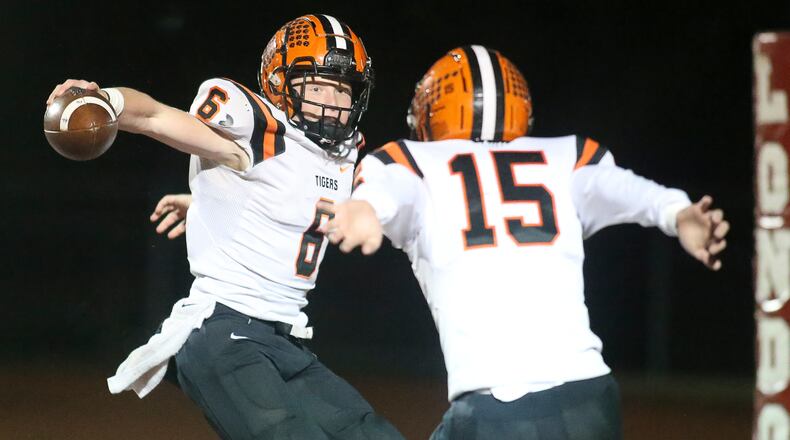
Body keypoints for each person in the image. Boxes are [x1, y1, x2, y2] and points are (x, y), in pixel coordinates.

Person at [321, 45, 730, 439]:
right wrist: (677, 213)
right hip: (589, 397)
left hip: (498, 408)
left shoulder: (410, 161)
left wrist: (364, 208)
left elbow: (384, 192)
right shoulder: (565, 155)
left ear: (433, 114)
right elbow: (630, 191)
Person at [47, 14, 404, 440]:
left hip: (283, 342)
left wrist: (208, 200)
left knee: (373, 433)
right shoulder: (261, 131)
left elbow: (280, 199)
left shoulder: (342, 155)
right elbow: (157, 117)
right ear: (278, 82)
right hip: (224, 334)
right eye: (318, 84)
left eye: (343, 88)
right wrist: (106, 99)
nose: (333, 99)